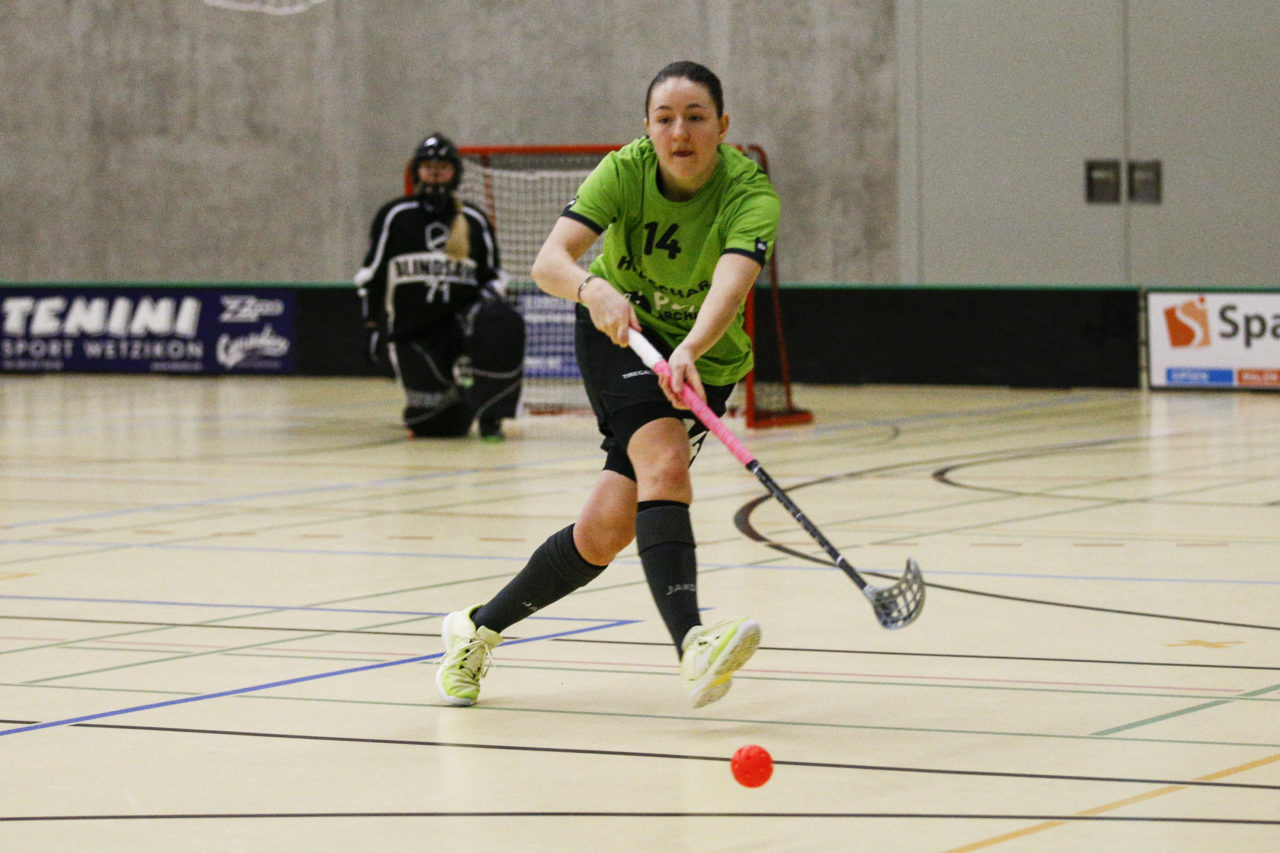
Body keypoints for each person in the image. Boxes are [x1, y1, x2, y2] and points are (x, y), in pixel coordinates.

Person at [435, 61, 780, 709]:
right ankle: (693, 646)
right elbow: (549, 262)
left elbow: (731, 288)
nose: (680, 132)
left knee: (604, 530)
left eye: (696, 117)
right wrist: (594, 289)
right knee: (666, 459)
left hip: (703, 358)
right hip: (618, 330)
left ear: (723, 126)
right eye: (664, 118)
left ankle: (475, 628)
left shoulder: (749, 193)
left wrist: (690, 349)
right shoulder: (624, 170)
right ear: (647, 128)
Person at [355, 133, 524, 441]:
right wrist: (371, 324)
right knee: (434, 425)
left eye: (442, 166)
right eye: (428, 166)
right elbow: (372, 275)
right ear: (417, 171)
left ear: (455, 172)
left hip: (461, 322)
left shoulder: (472, 219)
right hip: (413, 331)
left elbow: (493, 276)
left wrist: (490, 311)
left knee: (502, 319)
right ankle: (460, 399)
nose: (435, 172)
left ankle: (491, 414)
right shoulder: (395, 216)